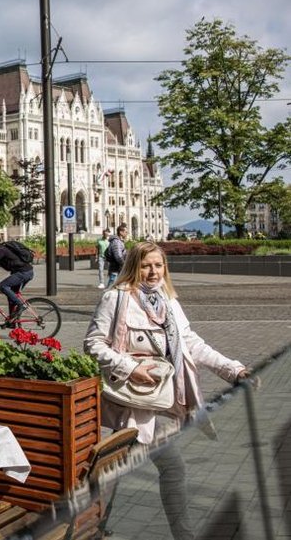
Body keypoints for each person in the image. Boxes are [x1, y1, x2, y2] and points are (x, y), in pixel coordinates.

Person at [84, 242, 251, 540]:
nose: (153, 272)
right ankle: (88, 528)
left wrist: (232, 369)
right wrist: (131, 367)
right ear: (134, 266)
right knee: (156, 468)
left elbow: (191, 343)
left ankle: (89, 528)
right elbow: (93, 344)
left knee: (119, 471)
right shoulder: (116, 298)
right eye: (147, 265)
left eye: (158, 265)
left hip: (162, 400)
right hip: (135, 402)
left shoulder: (168, 300)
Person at [105, 223, 129, 288]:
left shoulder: (119, 242)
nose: (127, 233)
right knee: (111, 287)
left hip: (117, 269)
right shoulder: (116, 242)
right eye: (126, 232)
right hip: (115, 268)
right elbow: (118, 256)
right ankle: (106, 297)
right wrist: (124, 265)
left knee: (116, 286)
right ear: (121, 232)